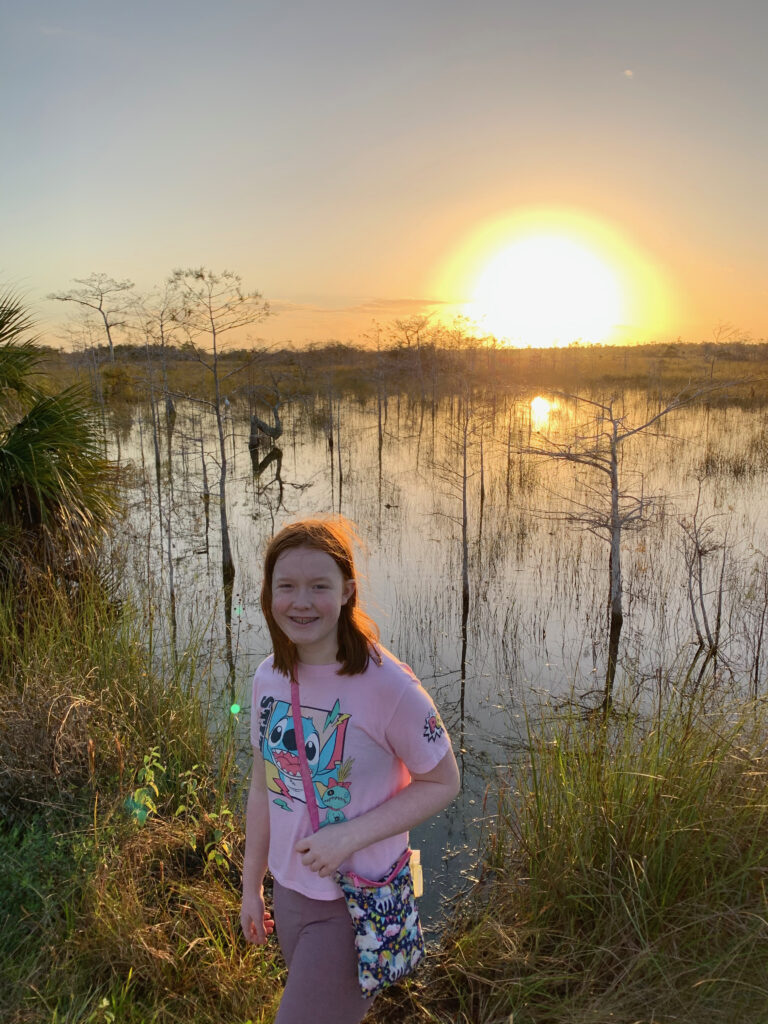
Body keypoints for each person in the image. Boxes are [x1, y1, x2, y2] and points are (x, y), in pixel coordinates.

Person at [241, 517, 460, 1024]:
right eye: (286, 586)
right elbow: (262, 788)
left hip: (355, 904)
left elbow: (444, 780)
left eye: (320, 586)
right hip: (290, 893)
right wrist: (252, 887)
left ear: (347, 592)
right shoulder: (268, 678)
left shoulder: (389, 686)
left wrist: (349, 836)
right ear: (269, 595)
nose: (301, 601)